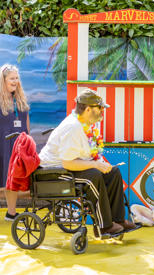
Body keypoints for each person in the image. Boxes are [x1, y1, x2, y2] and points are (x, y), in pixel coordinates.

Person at [39, 88, 135, 237]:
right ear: (88, 109)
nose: (102, 111)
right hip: (54, 171)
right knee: (94, 176)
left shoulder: (86, 125)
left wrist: (100, 163)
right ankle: (104, 227)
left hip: (68, 167)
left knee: (113, 172)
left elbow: (85, 155)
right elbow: (68, 163)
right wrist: (96, 165)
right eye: (100, 108)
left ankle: (119, 220)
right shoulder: (73, 127)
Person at [0, 64, 30, 221]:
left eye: (17, 78)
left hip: (18, 145)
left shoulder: (20, 98)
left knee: (11, 180)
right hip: (3, 145)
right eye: (12, 78)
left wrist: (28, 140)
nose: (15, 81)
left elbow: (26, 120)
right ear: (3, 80)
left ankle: (11, 213)